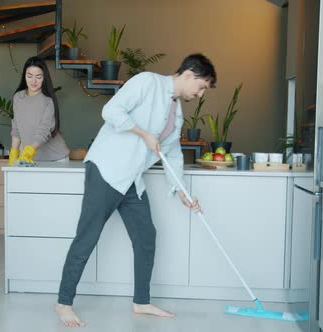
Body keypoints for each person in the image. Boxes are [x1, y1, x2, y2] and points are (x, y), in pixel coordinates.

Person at [54, 53, 216, 327]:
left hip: (131, 180)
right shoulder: (147, 83)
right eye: (201, 86)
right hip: (106, 170)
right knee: (87, 237)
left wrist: (182, 193)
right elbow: (111, 112)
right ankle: (63, 302)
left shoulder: (176, 111)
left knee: (146, 237)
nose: (200, 94)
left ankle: (142, 301)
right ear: (189, 74)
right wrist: (142, 133)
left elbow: (172, 154)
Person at [8, 56, 70, 165]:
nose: (33, 81)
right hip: (29, 159)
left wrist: (29, 151)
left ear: (44, 77)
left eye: (38, 77)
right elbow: (16, 127)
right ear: (24, 76)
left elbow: (44, 130)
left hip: (56, 159)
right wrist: (13, 153)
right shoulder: (18, 97)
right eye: (29, 76)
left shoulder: (48, 101)